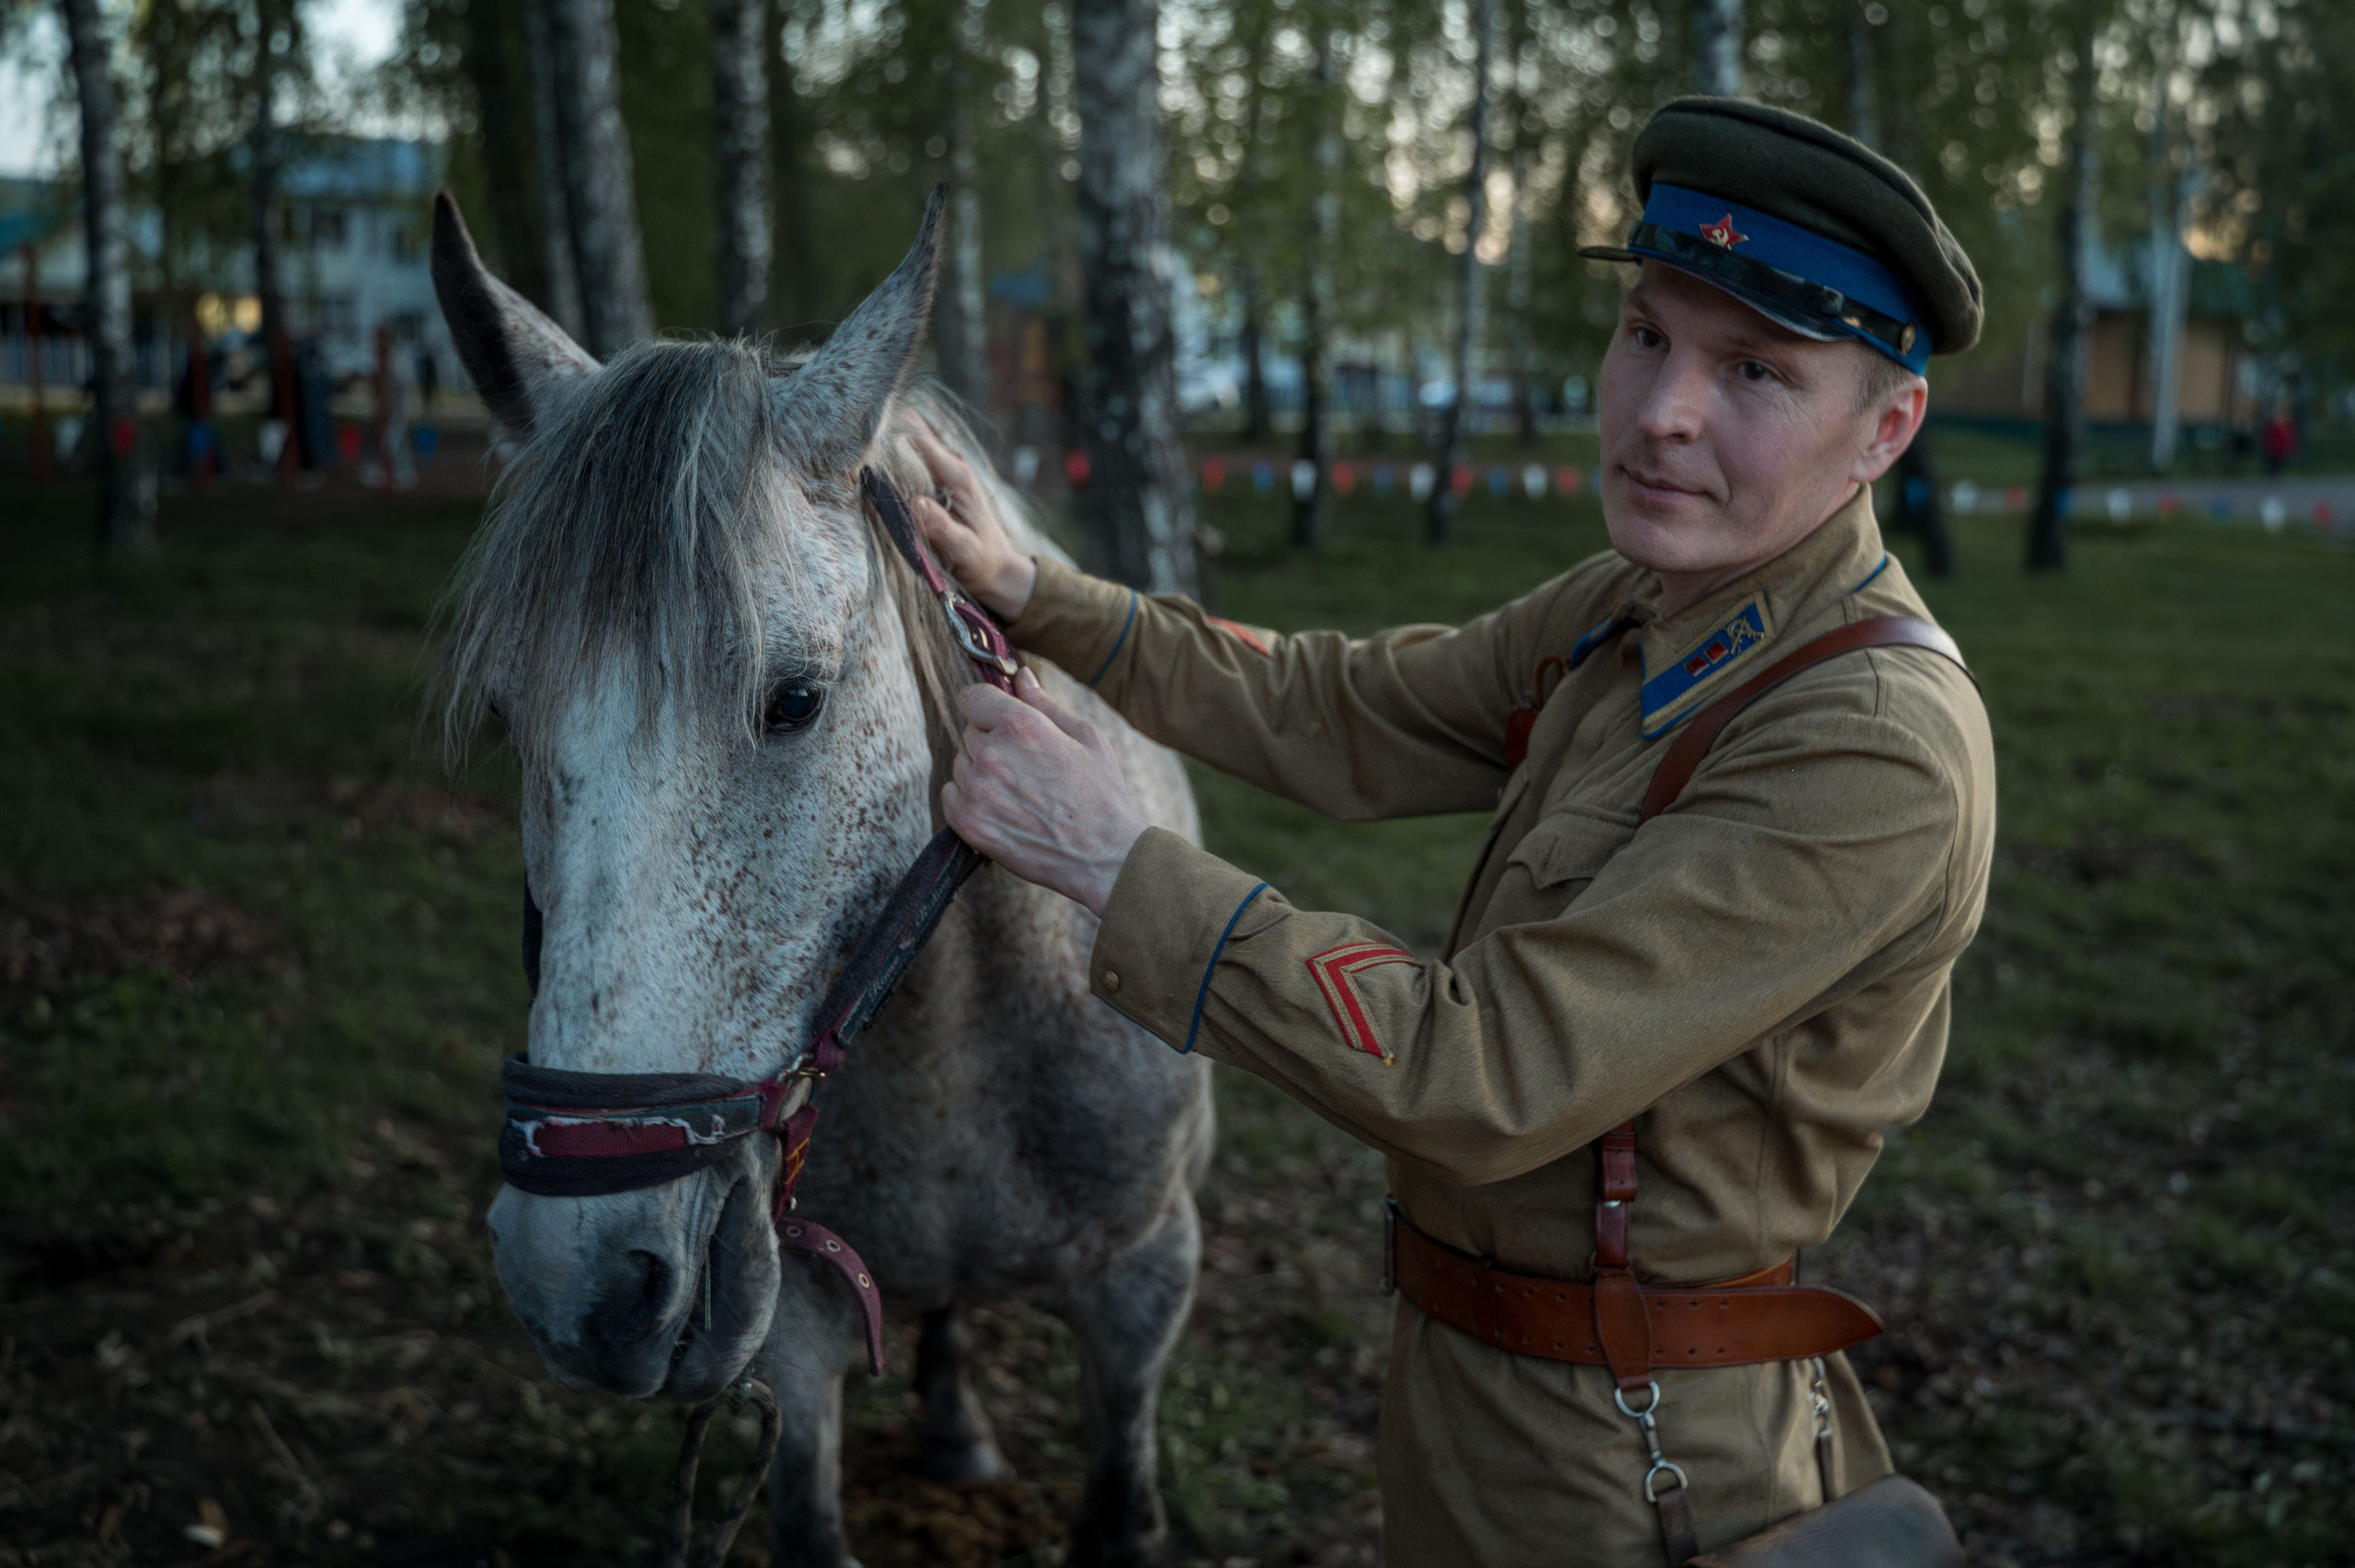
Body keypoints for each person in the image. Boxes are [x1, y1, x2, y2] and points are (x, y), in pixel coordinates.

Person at [912, 97, 1995, 1564]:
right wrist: (1038, 592)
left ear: (1886, 430)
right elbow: (1343, 706)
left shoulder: (1867, 741)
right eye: (1647, 335)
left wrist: (1120, 866)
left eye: (1756, 370)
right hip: (1484, 1378)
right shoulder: (1644, 600)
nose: (1663, 410)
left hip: (1637, 1446)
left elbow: (1480, 1071)